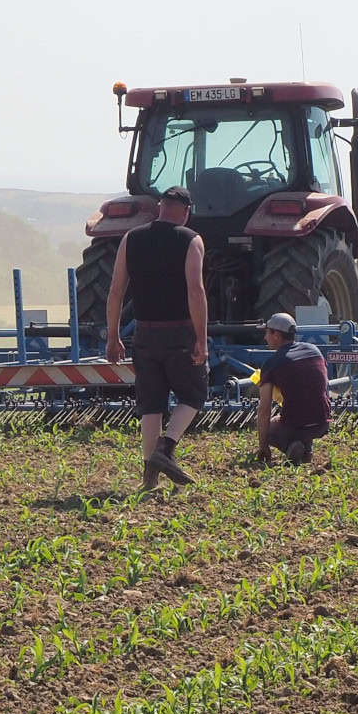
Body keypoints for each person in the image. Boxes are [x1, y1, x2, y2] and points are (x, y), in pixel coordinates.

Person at [104, 186, 209, 489]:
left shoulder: (130, 238)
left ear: (159, 207)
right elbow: (195, 290)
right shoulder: (191, 240)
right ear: (186, 211)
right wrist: (201, 339)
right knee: (193, 394)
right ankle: (166, 450)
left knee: (151, 404)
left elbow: (115, 291)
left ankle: (149, 479)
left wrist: (113, 336)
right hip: (179, 332)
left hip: (144, 333)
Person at [254, 312, 331, 465]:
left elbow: (264, 409)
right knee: (305, 407)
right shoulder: (314, 351)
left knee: (266, 426)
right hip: (323, 423)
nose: (265, 338)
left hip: (294, 426)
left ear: (276, 335)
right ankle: (306, 451)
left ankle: (290, 446)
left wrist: (263, 445)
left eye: (267, 333)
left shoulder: (272, 363)